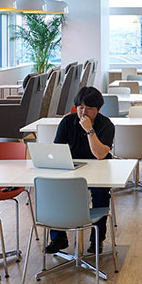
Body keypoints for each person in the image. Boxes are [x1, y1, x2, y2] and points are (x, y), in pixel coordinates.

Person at [45, 86, 115, 255]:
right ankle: (58, 238)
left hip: (99, 169)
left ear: (98, 110)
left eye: (89, 109)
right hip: (72, 168)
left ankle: (97, 239)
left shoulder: (106, 125)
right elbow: (57, 151)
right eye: (80, 107)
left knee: (101, 194)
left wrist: (89, 130)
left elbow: (100, 155)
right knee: (53, 189)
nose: (83, 112)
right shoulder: (67, 122)